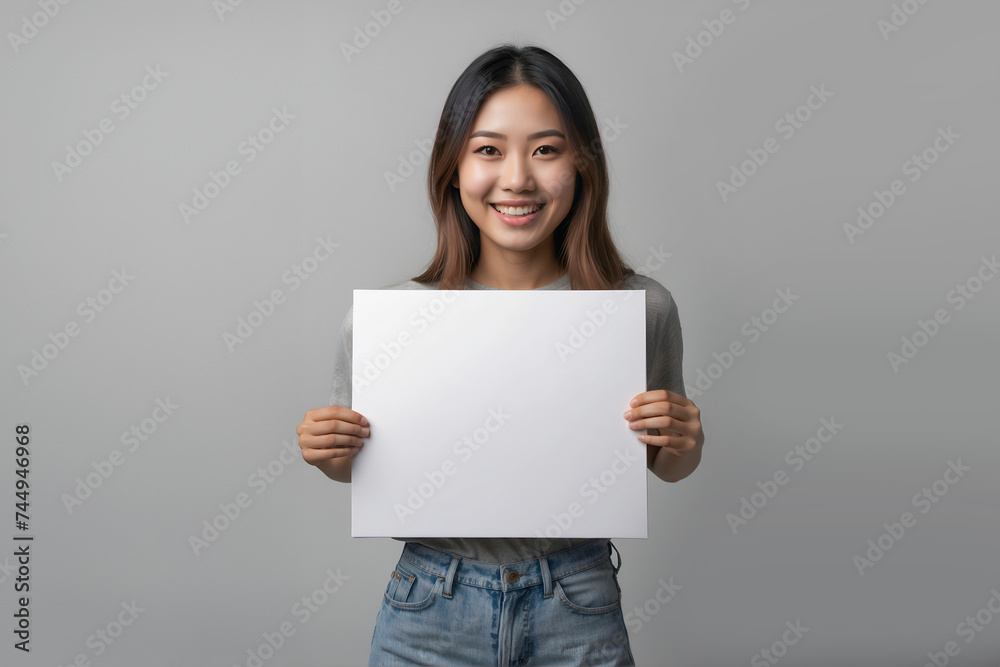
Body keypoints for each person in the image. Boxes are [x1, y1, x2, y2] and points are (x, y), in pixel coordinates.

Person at [296, 42, 705, 666]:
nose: (517, 178)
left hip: (576, 601)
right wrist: (327, 451)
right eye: (488, 149)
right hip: (429, 605)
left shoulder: (640, 308)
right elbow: (363, 467)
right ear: (453, 168)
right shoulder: (391, 322)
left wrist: (684, 442)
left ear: (583, 163)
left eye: (546, 149)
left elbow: (662, 464)